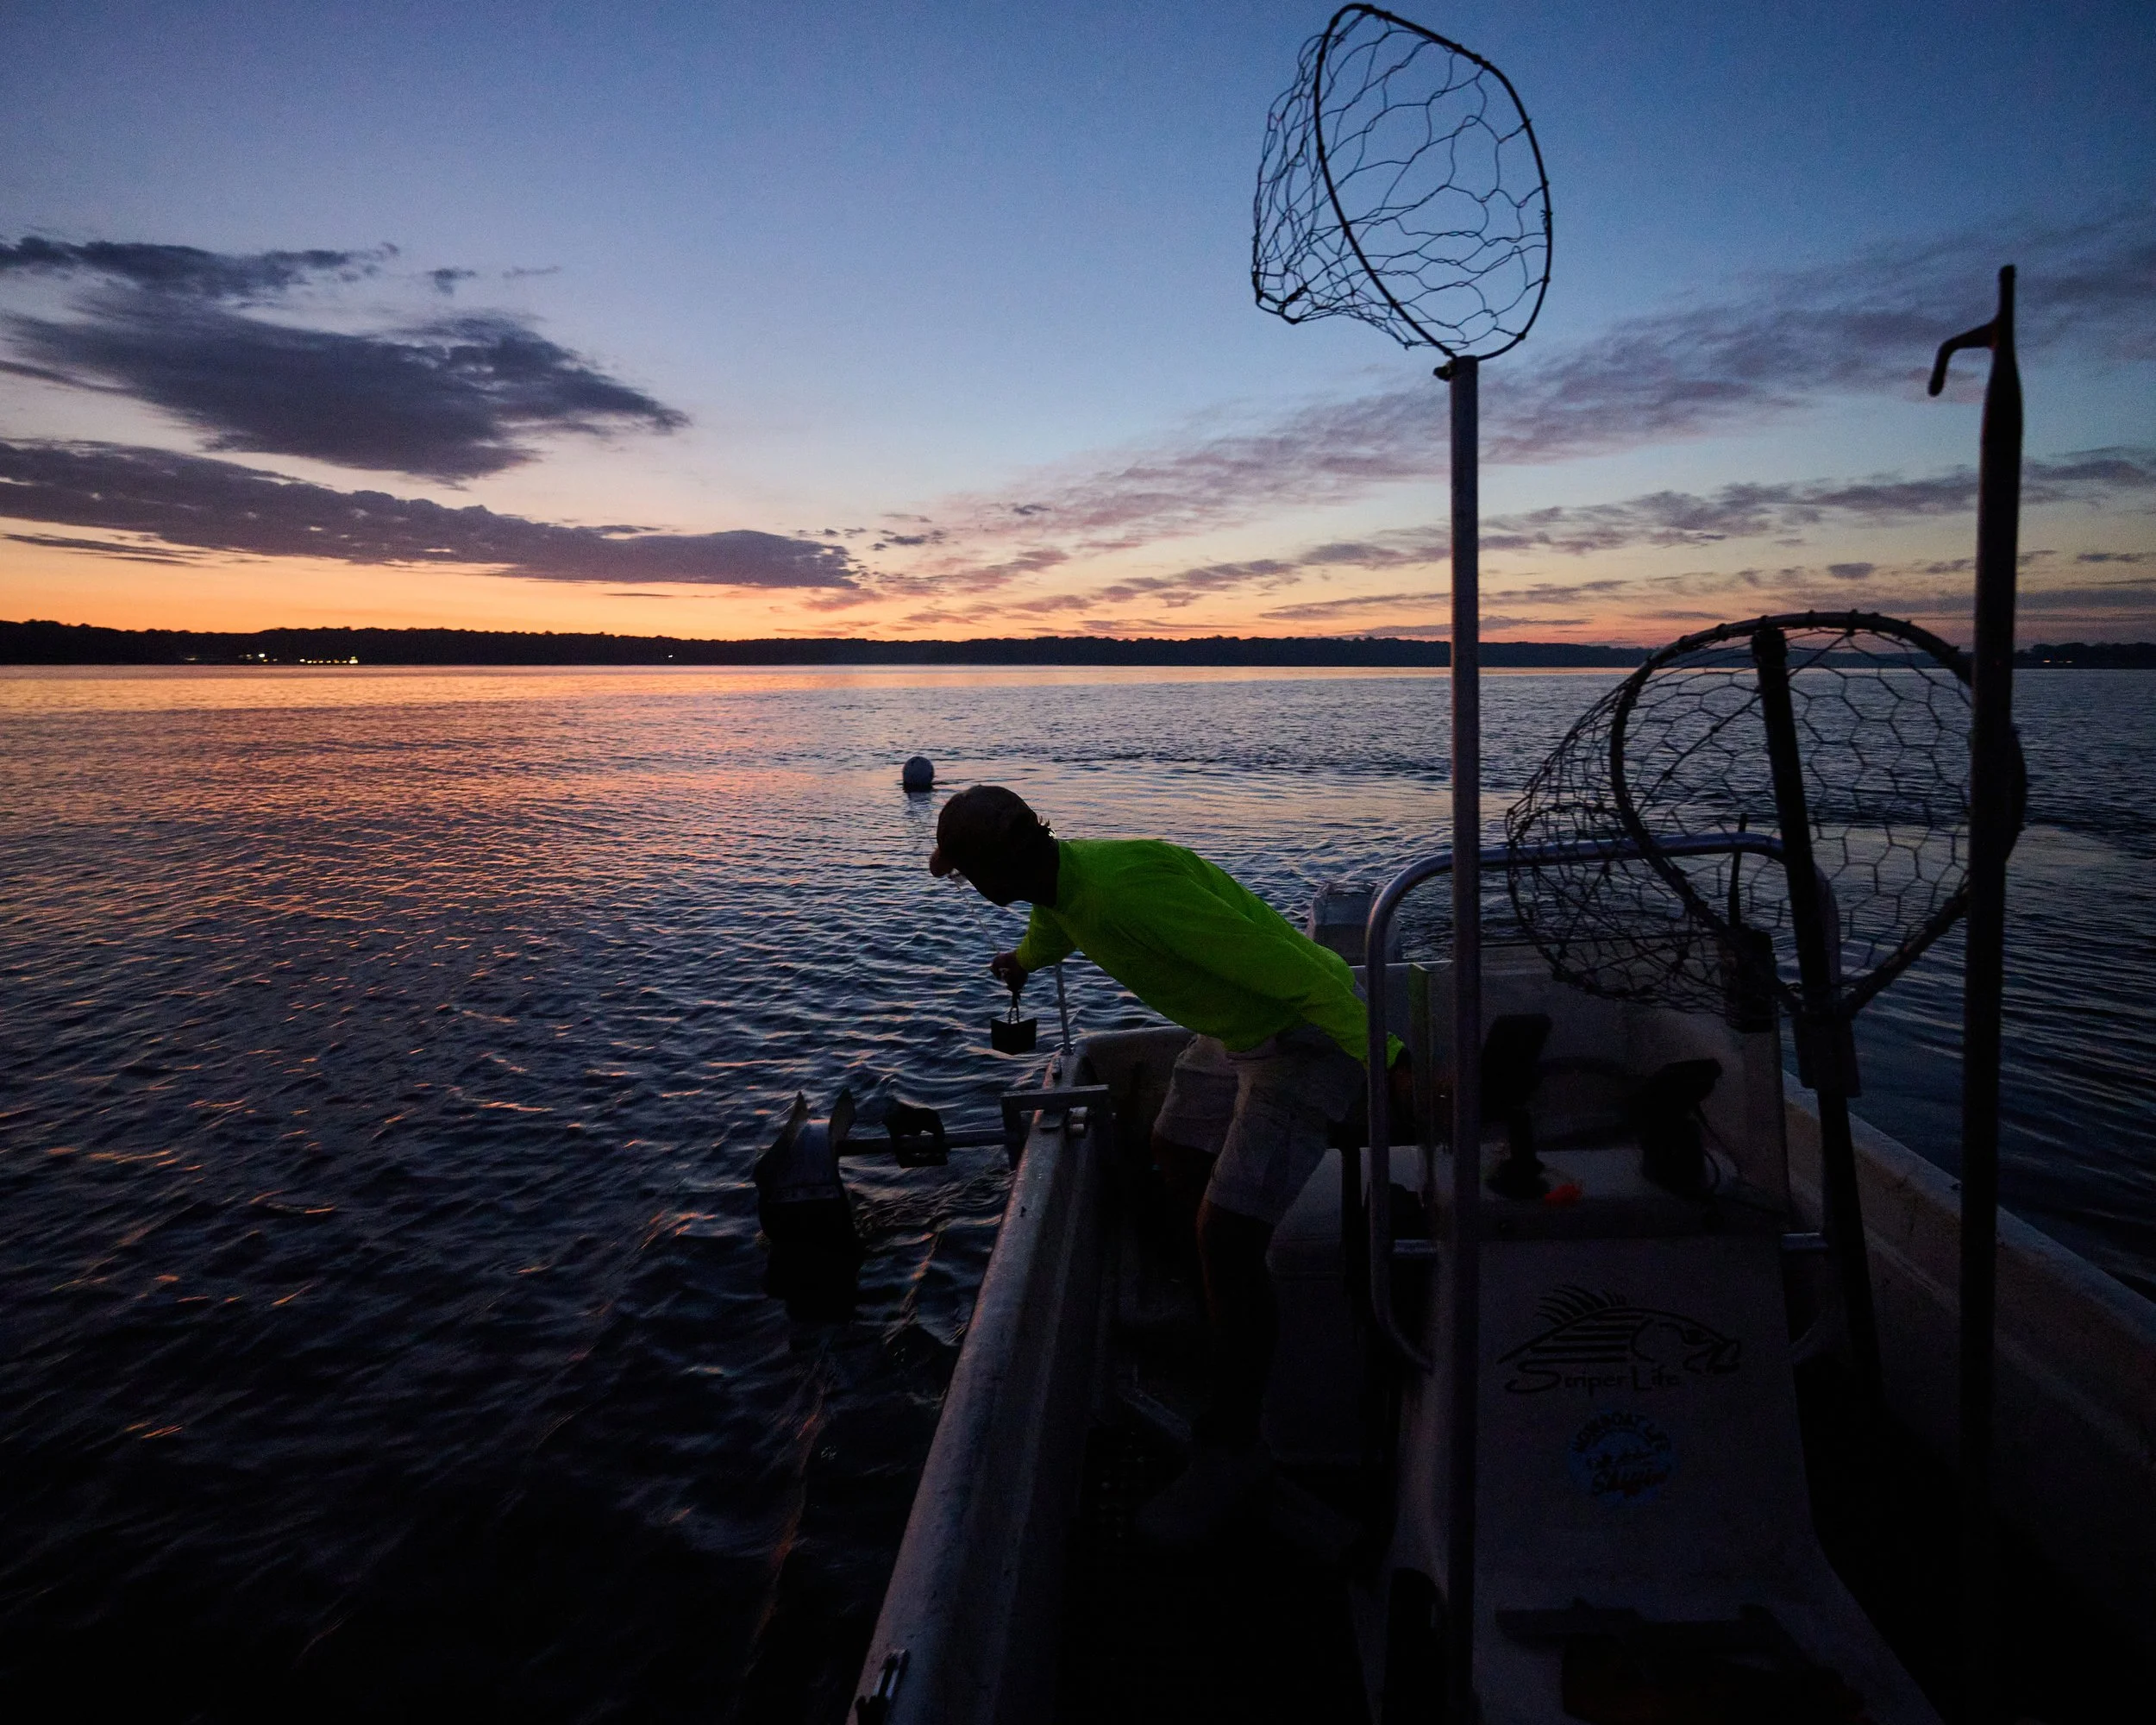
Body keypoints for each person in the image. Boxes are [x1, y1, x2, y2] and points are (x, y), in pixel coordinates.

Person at [929, 783, 1409, 1547]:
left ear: (995, 870)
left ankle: (1234, 1450)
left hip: (1297, 1037)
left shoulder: (1128, 895)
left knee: (1228, 1236)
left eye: (966, 873)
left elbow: (1294, 969)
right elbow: (1057, 927)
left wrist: (1386, 1056)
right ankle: (1215, 1320)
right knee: (1175, 1149)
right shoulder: (1065, 881)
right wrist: (1020, 960)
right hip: (1235, 1032)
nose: (970, 887)